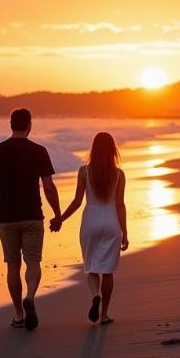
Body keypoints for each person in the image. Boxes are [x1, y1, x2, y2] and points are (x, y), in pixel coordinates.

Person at [0, 108, 62, 331]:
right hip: (32, 217)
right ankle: (30, 297)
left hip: (7, 218)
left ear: (10, 124)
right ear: (29, 125)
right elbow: (48, 187)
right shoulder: (39, 151)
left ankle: (19, 313)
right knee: (33, 262)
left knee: (12, 265)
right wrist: (57, 213)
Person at [54, 132, 128, 325]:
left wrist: (60, 218)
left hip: (90, 221)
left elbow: (77, 202)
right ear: (113, 149)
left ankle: (95, 295)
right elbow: (120, 205)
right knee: (108, 271)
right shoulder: (119, 174)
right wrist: (125, 232)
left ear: (93, 149)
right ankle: (104, 314)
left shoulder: (83, 171)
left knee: (92, 268)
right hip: (112, 221)